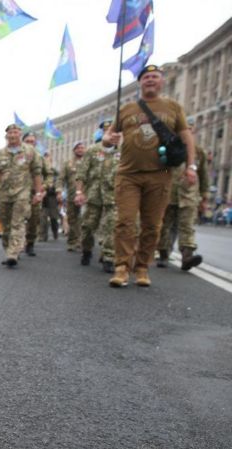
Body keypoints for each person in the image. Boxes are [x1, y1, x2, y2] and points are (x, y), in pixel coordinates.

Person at [104, 64, 196, 287]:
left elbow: (187, 138)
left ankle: (142, 267)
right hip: (128, 174)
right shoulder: (126, 109)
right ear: (140, 83)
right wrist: (109, 140)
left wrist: (191, 167)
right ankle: (122, 267)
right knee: (125, 222)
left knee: (152, 225)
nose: (151, 80)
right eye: (146, 77)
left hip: (161, 174)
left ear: (161, 81)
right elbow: (108, 137)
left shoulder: (173, 107)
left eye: (155, 77)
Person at [0, 124, 44, 267]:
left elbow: (36, 173)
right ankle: (9, 249)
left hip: (22, 193)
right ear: (6, 135)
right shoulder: (0, 153)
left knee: (18, 222)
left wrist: (38, 192)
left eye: (15, 132)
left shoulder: (29, 151)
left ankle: (13, 253)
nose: (13, 135)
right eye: (10, 132)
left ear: (20, 134)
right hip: (4, 194)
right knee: (6, 224)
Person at [156, 117, 209, 271]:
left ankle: (187, 256)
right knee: (166, 226)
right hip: (170, 195)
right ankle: (164, 254)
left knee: (187, 226)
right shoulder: (169, 148)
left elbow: (204, 175)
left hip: (190, 195)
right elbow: (162, 169)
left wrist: (204, 198)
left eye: (191, 129)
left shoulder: (199, 152)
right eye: (186, 129)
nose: (189, 132)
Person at [74, 120, 119, 273]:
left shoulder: (122, 151)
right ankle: (87, 250)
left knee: (111, 227)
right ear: (102, 133)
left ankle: (108, 257)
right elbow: (82, 173)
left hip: (113, 196)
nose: (111, 134)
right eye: (107, 131)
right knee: (88, 227)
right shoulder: (93, 150)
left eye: (113, 131)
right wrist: (79, 192)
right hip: (93, 195)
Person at [21, 132, 52, 257]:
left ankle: (30, 243)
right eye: (27, 141)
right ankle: (16, 246)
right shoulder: (17, 156)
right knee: (17, 220)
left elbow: (49, 175)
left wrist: (43, 188)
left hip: (34, 194)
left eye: (32, 141)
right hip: (19, 193)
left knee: (33, 220)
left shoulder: (40, 158)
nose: (30, 143)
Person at [59, 141, 86, 252]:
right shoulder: (68, 164)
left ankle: (82, 241)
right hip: (71, 195)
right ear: (74, 150)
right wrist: (59, 191)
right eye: (78, 148)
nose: (80, 150)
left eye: (82, 148)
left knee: (85, 219)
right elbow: (61, 179)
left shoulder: (88, 162)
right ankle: (72, 241)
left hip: (86, 195)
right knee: (72, 219)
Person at [38, 152, 61, 242]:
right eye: (45, 158)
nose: (46, 160)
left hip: (52, 196)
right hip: (42, 197)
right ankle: (42, 236)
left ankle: (55, 232)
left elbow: (58, 181)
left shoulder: (54, 171)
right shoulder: (40, 170)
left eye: (48, 158)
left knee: (53, 218)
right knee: (42, 218)